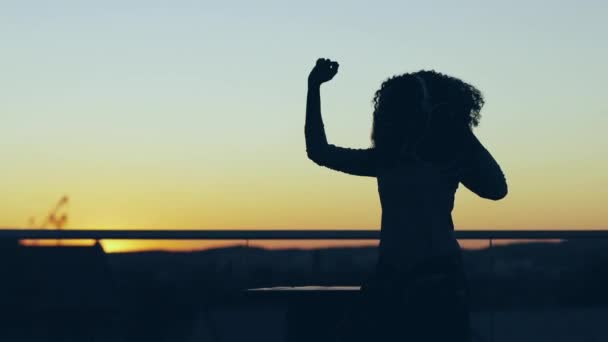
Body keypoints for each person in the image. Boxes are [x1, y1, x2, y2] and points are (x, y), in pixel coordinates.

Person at [304, 58, 507, 341]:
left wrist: (314, 87)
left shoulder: (403, 160)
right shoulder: (433, 159)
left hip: (419, 277)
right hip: (418, 276)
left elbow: (496, 190)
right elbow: (319, 152)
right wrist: (313, 87)